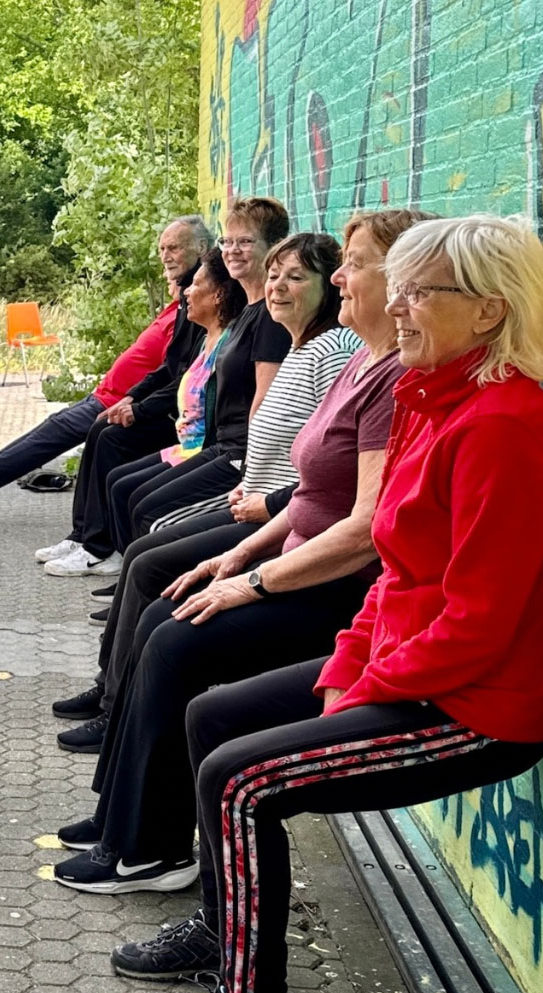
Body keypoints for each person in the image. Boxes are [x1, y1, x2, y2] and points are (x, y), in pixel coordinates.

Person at [121, 214, 543, 993]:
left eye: (418, 292)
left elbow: (479, 623)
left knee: (241, 780)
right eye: (397, 288)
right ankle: (228, 932)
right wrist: (350, 666)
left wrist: (368, 688)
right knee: (212, 716)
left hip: (479, 707)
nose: (396, 307)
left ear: (488, 311)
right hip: (416, 672)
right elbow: (397, 575)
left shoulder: (507, 430)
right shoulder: (432, 402)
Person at [50, 234, 387, 889]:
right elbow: (318, 492)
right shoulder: (358, 362)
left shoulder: (367, 366)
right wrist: (241, 553)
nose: (342, 278)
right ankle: (123, 821)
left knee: (174, 635)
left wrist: (250, 579)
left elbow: (360, 525)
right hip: (288, 544)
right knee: (162, 606)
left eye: (354, 266)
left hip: (333, 583)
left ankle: (150, 848)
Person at [50, 216, 425, 748]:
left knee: (157, 582)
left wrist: (257, 545)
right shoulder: (331, 351)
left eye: (296, 276)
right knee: (143, 546)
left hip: (288, 530)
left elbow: (349, 506)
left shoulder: (342, 354)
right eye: (274, 276)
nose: (278, 287)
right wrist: (246, 542)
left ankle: (119, 711)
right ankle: (115, 698)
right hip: (267, 508)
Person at [51, 197, 293, 577]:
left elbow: (264, 402)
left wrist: (251, 475)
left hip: (237, 457)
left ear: (273, 249)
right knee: (120, 472)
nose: (233, 250)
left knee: (144, 503)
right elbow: (177, 371)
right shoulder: (246, 313)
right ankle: (100, 550)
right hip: (217, 445)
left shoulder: (269, 320)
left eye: (245, 242)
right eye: (228, 241)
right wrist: (134, 398)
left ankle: (138, 576)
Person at [0, 216, 210, 501]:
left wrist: (137, 403)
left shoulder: (191, 312)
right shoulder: (176, 308)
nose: (165, 259)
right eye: (162, 249)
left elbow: (176, 370)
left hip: (117, 402)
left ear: (201, 250)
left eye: (173, 248)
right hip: (112, 394)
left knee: (58, 431)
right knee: (55, 423)